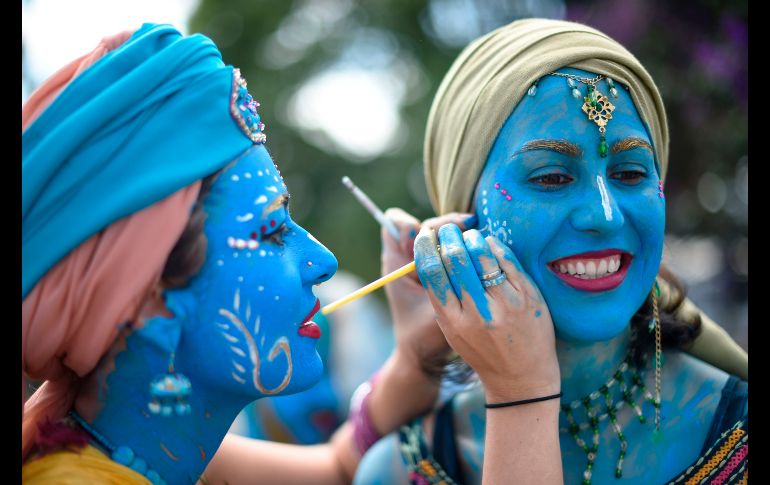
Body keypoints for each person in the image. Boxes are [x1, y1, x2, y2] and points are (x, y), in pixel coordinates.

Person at [21, 23, 477, 484]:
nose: (323, 261)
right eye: (273, 231)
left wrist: (417, 351)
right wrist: (524, 392)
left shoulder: (144, 456)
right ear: (151, 302)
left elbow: (337, 469)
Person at [353, 18, 748, 484]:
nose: (605, 215)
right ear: (463, 220)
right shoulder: (401, 472)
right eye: (551, 178)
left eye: (630, 174)